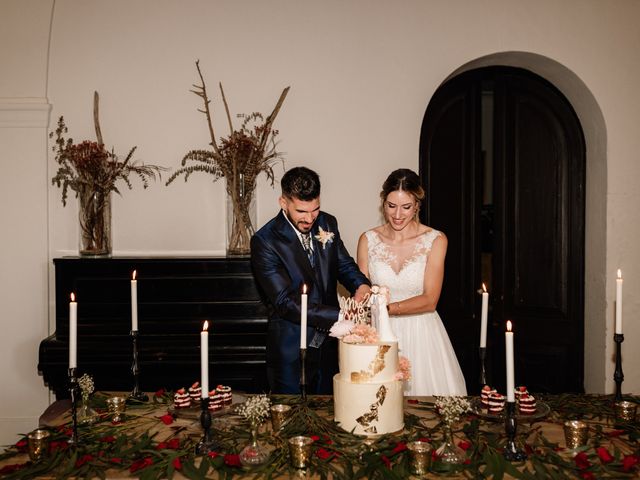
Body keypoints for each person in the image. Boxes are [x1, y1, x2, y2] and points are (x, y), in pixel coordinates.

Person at [251, 166, 370, 394]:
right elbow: (285, 302)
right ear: (283, 202)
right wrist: (340, 316)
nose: (309, 218)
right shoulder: (265, 241)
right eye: (301, 211)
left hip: (330, 346)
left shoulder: (327, 223)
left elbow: (343, 263)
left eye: (315, 210)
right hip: (292, 349)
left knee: (330, 414)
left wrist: (361, 284)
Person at [357, 168, 467, 396]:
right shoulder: (368, 240)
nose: (397, 214)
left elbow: (430, 300)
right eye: (391, 206)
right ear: (383, 203)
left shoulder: (435, 239)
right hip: (379, 334)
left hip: (422, 333)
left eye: (406, 207)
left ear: (417, 205)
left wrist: (386, 309)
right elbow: (362, 290)